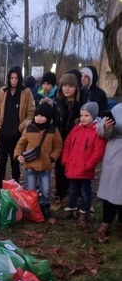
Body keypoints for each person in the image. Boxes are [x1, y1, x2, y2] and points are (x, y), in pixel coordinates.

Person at [14, 99, 63, 219]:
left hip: (45, 166)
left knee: (45, 188)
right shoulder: (29, 128)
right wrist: (18, 155)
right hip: (30, 165)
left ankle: (45, 205)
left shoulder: (53, 130)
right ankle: (32, 205)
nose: (39, 118)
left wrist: (52, 158)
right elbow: (21, 143)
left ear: (48, 117)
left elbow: (58, 145)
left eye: (42, 116)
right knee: (30, 188)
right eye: (37, 115)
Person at [61, 102, 106, 228]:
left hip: (85, 169)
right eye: (81, 115)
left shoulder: (97, 131)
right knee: (73, 190)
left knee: (85, 192)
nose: (83, 118)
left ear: (93, 115)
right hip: (73, 166)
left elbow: (98, 151)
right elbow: (67, 144)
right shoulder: (76, 129)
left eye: (86, 115)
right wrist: (66, 159)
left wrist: (89, 165)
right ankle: (72, 207)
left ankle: (84, 213)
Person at [0, 65, 35, 188]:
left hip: (17, 136)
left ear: (20, 78)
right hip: (2, 135)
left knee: (15, 165)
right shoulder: (2, 92)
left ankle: (16, 189)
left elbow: (31, 114)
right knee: (1, 164)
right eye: (11, 78)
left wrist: (20, 128)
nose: (13, 80)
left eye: (16, 78)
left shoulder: (26, 93)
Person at [52, 72, 82, 210]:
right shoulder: (57, 102)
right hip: (59, 139)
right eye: (64, 85)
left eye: (70, 86)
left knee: (73, 167)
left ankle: (75, 195)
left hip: (75, 141)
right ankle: (60, 194)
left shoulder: (79, 104)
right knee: (59, 167)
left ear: (75, 88)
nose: (66, 89)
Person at [96, 104, 122, 242]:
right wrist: (106, 126)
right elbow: (100, 130)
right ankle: (106, 222)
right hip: (116, 153)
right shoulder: (117, 109)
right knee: (112, 192)